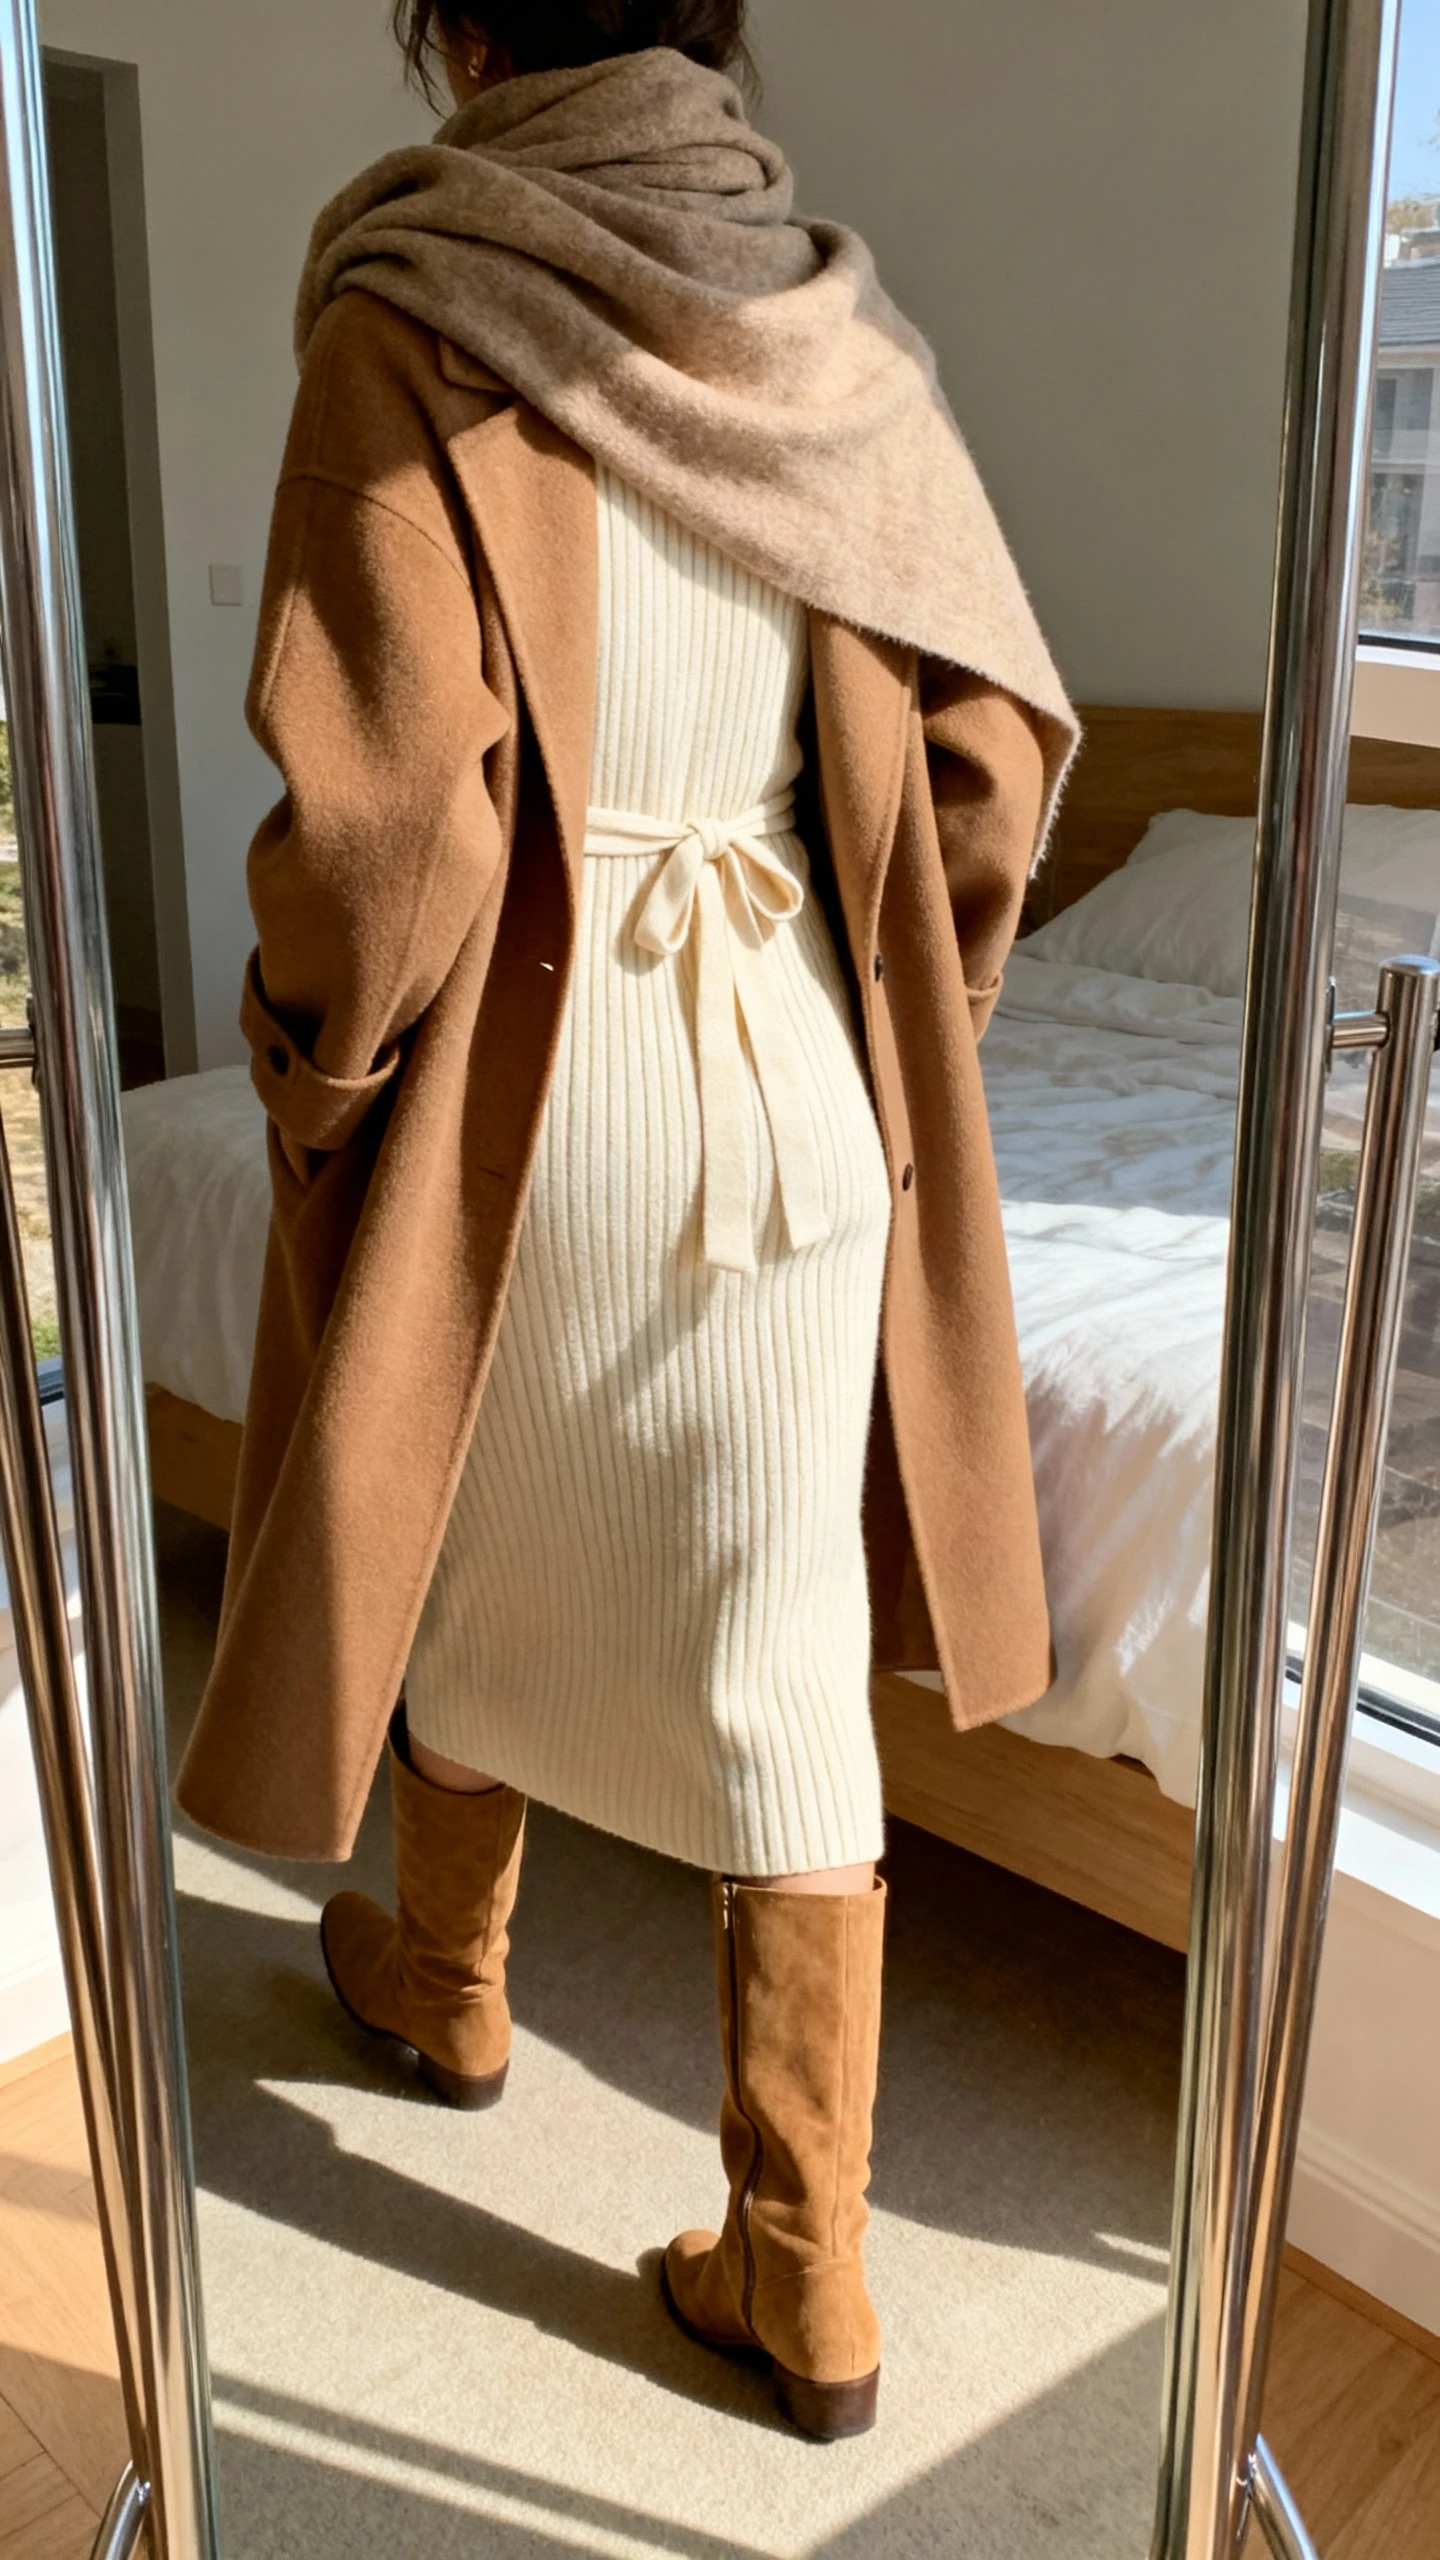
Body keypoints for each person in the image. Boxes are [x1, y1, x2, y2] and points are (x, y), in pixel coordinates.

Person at [176, 0, 1076, 2442]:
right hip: (785, 1059)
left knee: (455, 1502)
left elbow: (383, 835)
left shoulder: (413, 301)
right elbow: (995, 747)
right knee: (777, 1627)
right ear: (716, 19)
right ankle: (809, 2275)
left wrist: (321, 1065)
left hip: (533, 1080)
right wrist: (905, 982)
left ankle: (448, 1985)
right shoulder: (832, 321)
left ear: (454, 21)